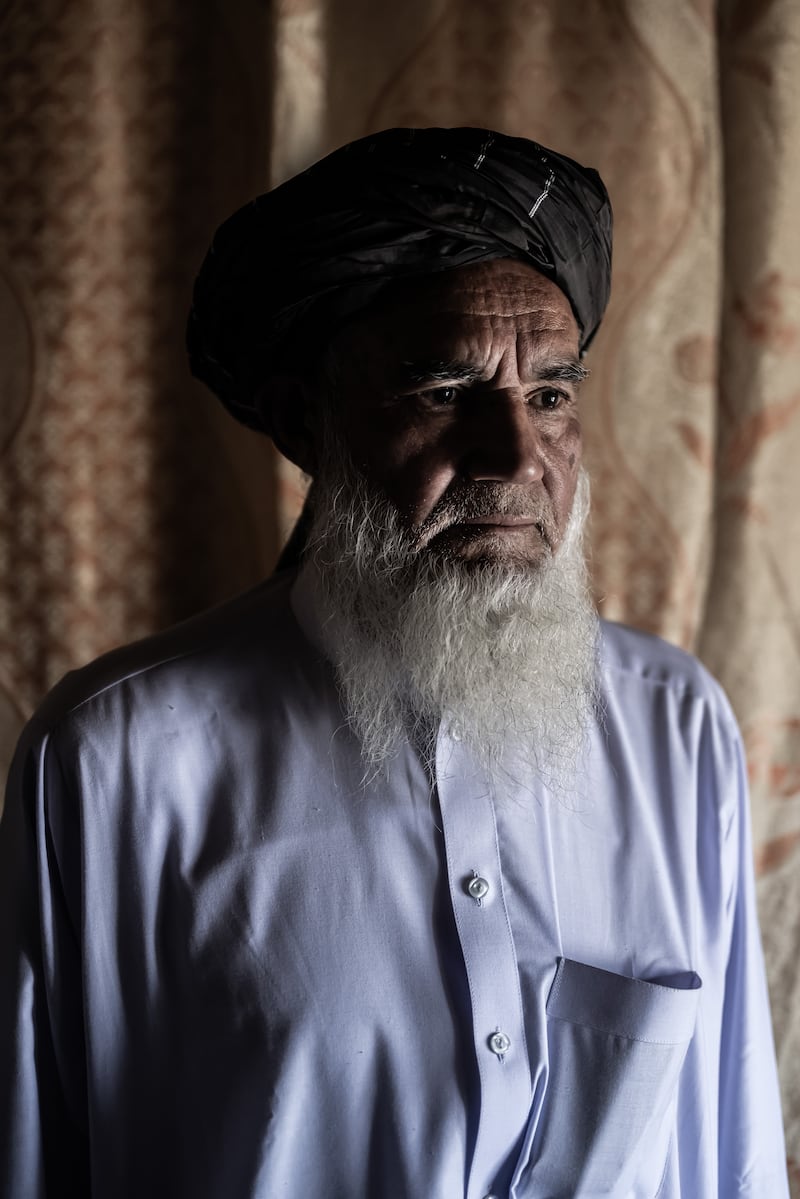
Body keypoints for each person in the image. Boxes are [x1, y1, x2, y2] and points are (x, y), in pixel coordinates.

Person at [0, 128, 789, 1198]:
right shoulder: (118, 757)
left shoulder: (673, 725)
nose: (513, 455)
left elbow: (727, 1154)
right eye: (442, 390)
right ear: (304, 422)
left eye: (550, 395)